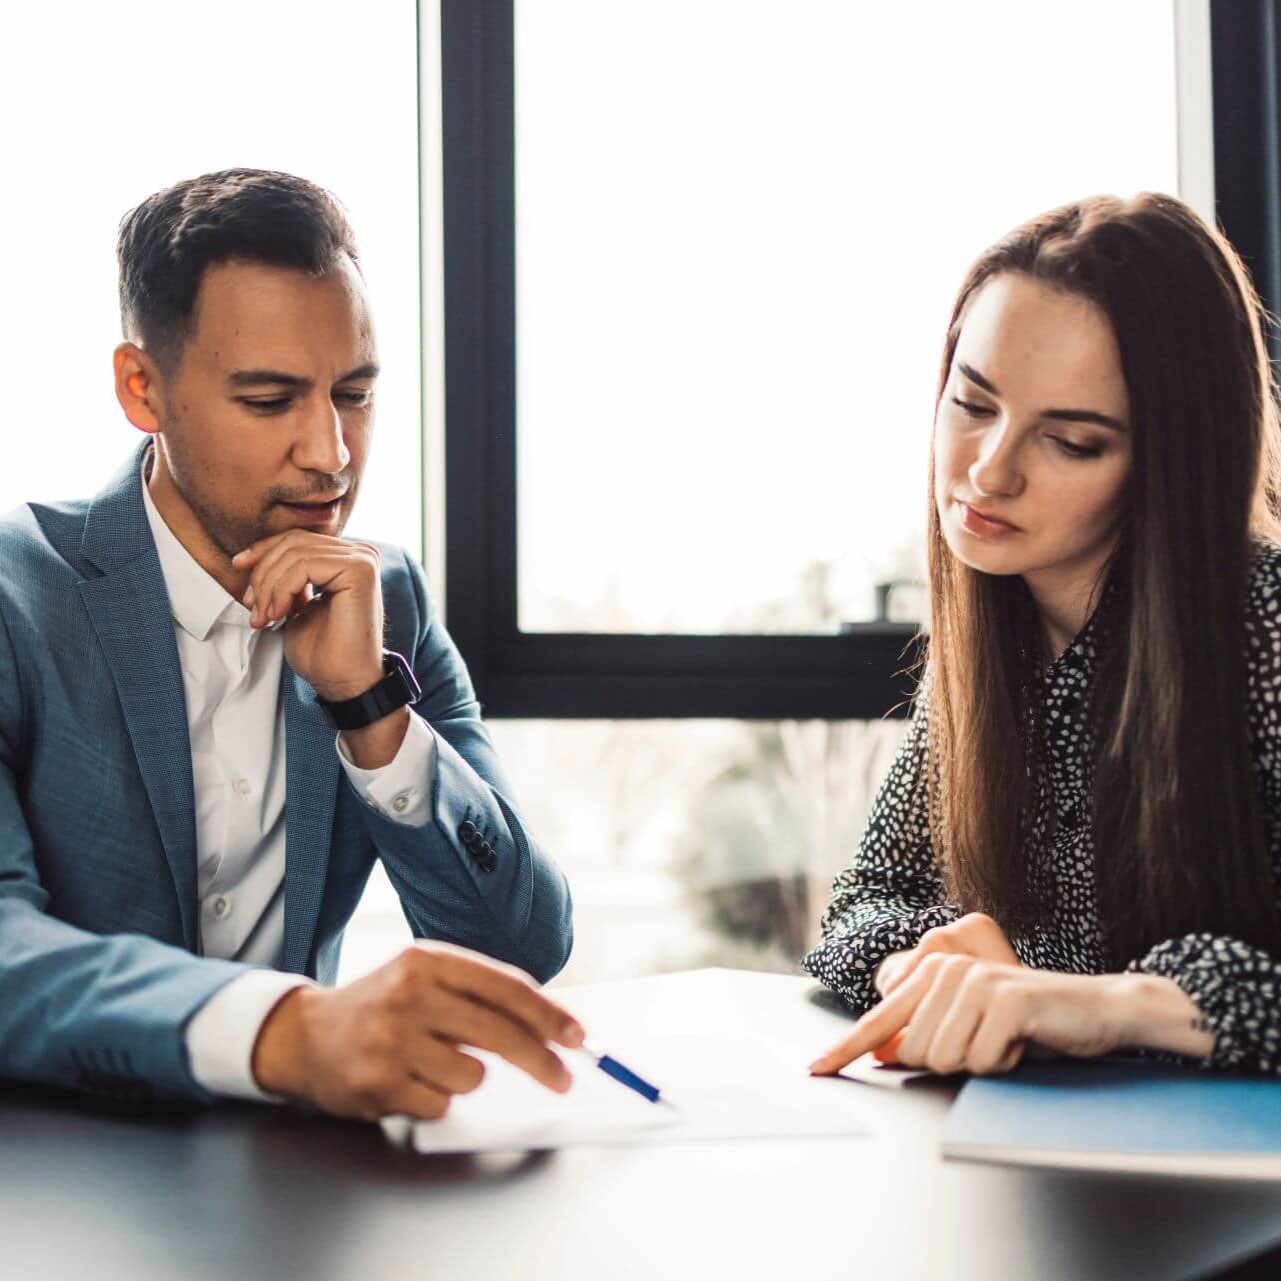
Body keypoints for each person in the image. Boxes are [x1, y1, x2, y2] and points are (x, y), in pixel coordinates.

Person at [0, 169, 579, 1120]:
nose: (331, 452)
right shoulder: (18, 597)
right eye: (270, 400)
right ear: (143, 389)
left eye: (354, 394)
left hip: (298, 1194)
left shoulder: (383, 599)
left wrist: (369, 710)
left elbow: (522, 950)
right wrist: (285, 1030)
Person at [805, 192, 1281, 1079]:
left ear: (1169, 464)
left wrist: (1113, 1002)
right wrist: (925, 965)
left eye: (1068, 441)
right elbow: (865, 899)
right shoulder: (1001, 632)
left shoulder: (1264, 628)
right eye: (973, 403)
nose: (989, 471)